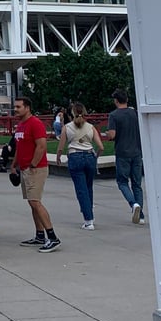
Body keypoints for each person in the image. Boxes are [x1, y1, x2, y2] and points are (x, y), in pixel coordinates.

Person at [11, 97, 60, 252]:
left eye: (18, 107)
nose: (16, 109)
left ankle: (52, 237)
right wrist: (14, 164)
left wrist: (33, 164)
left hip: (36, 168)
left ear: (27, 108)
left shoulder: (35, 124)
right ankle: (40, 235)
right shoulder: (20, 125)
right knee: (32, 202)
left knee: (35, 202)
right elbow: (19, 146)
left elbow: (41, 146)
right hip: (25, 167)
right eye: (15, 107)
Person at [56, 102, 104, 230]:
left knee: (81, 189)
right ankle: (90, 215)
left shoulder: (67, 127)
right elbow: (101, 146)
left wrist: (58, 156)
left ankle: (88, 220)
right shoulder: (91, 127)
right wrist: (96, 156)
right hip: (89, 156)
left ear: (72, 113)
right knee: (88, 187)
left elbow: (61, 145)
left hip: (75, 156)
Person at [105, 88, 145, 224]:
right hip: (137, 151)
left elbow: (112, 134)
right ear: (126, 100)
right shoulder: (135, 113)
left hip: (122, 152)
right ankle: (141, 217)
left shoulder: (114, 115)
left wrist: (107, 134)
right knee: (137, 184)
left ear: (116, 101)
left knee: (122, 182)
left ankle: (133, 204)